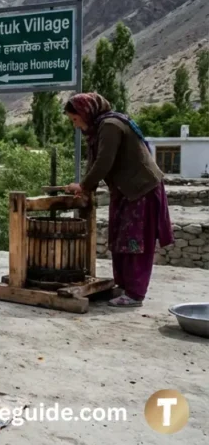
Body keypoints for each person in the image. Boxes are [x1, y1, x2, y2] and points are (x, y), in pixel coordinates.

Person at [63, 92, 173, 307]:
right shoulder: (97, 130)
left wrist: (84, 186)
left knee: (136, 242)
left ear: (87, 112)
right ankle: (124, 287)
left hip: (141, 190)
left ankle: (135, 294)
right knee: (120, 239)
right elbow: (94, 162)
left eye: (75, 119)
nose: (75, 125)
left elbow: (104, 161)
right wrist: (86, 189)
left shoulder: (110, 126)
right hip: (125, 191)